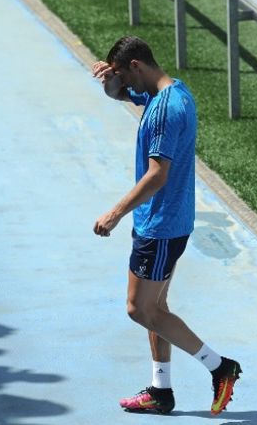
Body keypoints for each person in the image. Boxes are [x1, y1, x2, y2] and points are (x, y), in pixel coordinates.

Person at [91, 36, 241, 415]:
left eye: (124, 75)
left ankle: (220, 367)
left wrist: (115, 213)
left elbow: (157, 175)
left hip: (159, 225)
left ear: (137, 66)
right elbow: (120, 95)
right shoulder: (173, 93)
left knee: (139, 309)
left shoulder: (163, 111)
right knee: (156, 305)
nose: (124, 85)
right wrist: (111, 82)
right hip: (165, 221)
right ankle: (161, 391)